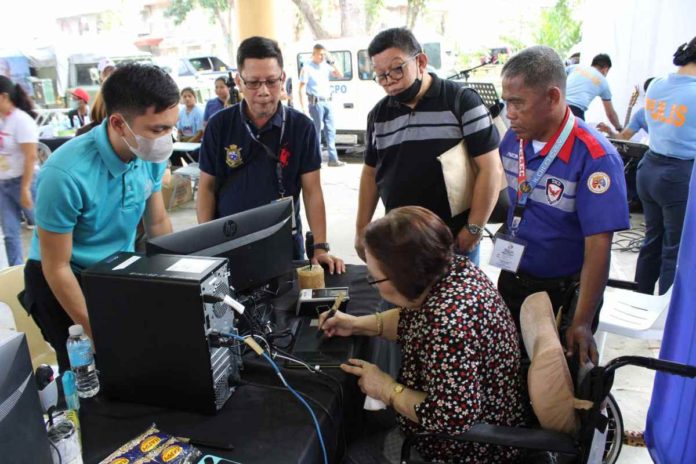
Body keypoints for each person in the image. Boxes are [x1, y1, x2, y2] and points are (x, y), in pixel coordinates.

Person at [320, 206, 524, 463]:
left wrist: (385, 388)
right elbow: (412, 318)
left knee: (353, 455)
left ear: (405, 279)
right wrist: (356, 324)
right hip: (479, 409)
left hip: (469, 449)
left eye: (375, 278)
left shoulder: (448, 324)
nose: (371, 280)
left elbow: (452, 417)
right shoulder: (453, 271)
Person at [23, 64, 179, 372]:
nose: (166, 139)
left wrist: (180, 280)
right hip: (63, 277)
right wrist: (98, 332)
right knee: (95, 371)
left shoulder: (148, 155)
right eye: (157, 130)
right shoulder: (64, 174)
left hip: (115, 269)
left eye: (170, 128)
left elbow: (157, 223)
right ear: (119, 123)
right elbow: (57, 267)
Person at [496, 46, 629, 364]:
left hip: (562, 295)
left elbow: (599, 247)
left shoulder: (596, 158)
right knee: (510, 375)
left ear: (553, 97)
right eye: (506, 103)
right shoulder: (513, 139)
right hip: (513, 280)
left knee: (555, 390)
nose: (509, 113)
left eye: (518, 103)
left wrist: (581, 320)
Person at [356, 28, 503, 266]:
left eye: (396, 69)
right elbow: (371, 173)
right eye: (381, 75)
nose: (390, 82)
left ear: (421, 61)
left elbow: (491, 169)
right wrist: (361, 228)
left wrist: (474, 228)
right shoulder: (379, 115)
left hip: (453, 241)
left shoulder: (461, 101)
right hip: (399, 243)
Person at [197, 36, 344, 272]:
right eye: (253, 82)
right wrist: (205, 244)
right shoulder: (219, 125)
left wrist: (320, 247)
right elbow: (206, 188)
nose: (264, 91)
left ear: (283, 79)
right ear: (239, 81)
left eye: (272, 81)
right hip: (229, 243)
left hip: (284, 244)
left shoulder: (301, 127)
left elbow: (312, 190)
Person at [635, 37, 696, 295]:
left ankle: (641, 295)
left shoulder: (657, 84)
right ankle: (667, 314)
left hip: (649, 169)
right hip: (678, 175)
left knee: (652, 240)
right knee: (676, 249)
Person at [0, 76, 38, 266]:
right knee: (10, 233)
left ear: (4, 97)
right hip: (4, 183)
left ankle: (48, 264)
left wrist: (25, 188)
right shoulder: (2, 120)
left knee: (44, 226)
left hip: (24, 181)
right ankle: (16, 270)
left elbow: (31, 156)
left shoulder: (21, 121)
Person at [299, 44, 345, 167]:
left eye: (324, 54)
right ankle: (316, 160)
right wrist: (304, 108)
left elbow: (340, 74)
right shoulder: (307, 68)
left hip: (327, 101)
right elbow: (302, 89)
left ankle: (333, 159)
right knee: (316, 132)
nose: (322, 57)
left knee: (330, 131)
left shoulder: (326, 66)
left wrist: (332, 61)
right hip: (316, 103)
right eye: (320, 54)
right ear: (313, 54)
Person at [566, 53, 622, 131]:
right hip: (575, 112)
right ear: (605, 69)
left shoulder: (575, 67)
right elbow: (610, 114)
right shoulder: (603, 82)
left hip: (557, 104)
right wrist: (619, 128)